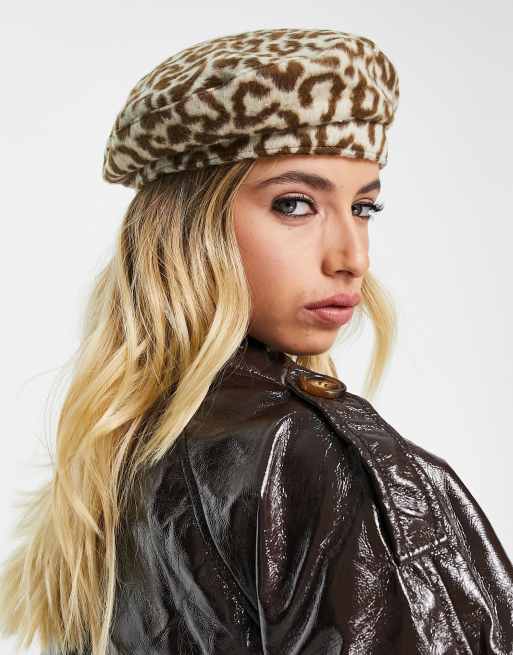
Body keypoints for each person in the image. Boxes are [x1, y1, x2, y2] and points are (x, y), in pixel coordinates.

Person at [1, 26, 512, 655]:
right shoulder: (315, 461)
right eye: (295, 205)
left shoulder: (120, 452)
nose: (352, 257)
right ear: (190, 228)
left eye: (363, 208)